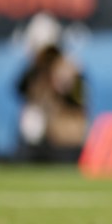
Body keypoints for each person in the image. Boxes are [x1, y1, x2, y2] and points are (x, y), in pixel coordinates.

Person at [15, 13, 89, 163]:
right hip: (41, 142)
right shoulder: (36, 72)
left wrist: (68, 86)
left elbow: (79, 102)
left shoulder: (71, 69)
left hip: (66, 142)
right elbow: (19, 89)